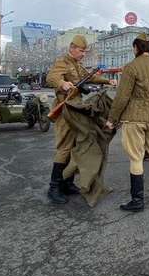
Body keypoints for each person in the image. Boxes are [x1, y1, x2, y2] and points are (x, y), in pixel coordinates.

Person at [45, 35, 116, 204]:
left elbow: (90, 77)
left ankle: (67, 183)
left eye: (85, 51)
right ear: (72, 48)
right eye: (81, 51)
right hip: (64, 108)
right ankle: (54, 187)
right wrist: (63, 84)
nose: (83, 54)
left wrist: (107, 80)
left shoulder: (78, 65)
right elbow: (51, 77)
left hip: (77, 108)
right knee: (64, 147)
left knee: (75, 146)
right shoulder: (63, 61)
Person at [105, 33, 149, 212]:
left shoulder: (131, 67)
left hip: (134, 117)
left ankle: (138, 201)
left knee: (136, 157)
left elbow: (122, 96)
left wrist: (112, 119)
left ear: (136, 48)